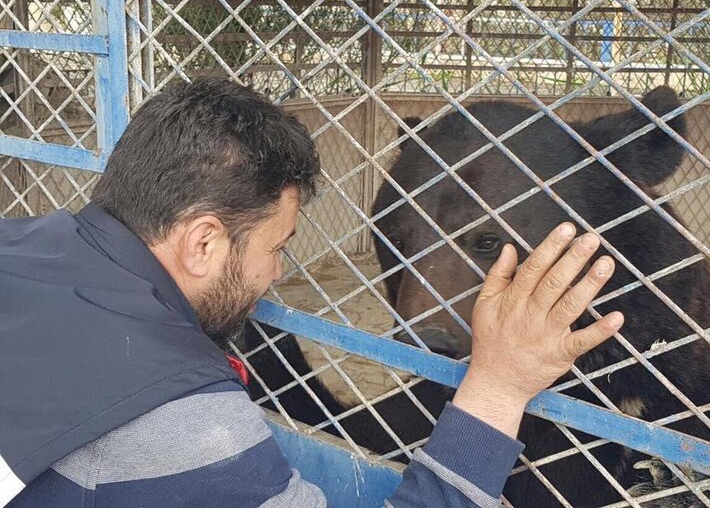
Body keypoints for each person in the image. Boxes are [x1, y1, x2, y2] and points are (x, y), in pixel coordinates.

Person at [0, 77, 623, 507]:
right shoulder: (186, 424)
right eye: (276, 248)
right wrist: (500, 384)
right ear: (202, 245)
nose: (277, 274)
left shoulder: (16, 244)